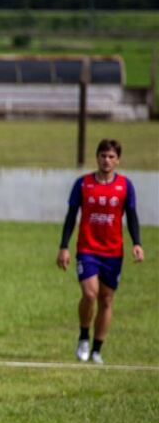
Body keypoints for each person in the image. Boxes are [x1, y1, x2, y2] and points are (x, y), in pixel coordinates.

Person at [56, 138, 144, 364]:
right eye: (103, 156)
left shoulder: (125, 186)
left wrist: (137, 243)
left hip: (113, 252)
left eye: (111, 157)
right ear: (97, 157)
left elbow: (132, 216)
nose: (107, 160)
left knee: (106, 300)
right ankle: (84, 336)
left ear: (118, 160)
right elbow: (70, 216)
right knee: (89, 293)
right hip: (87, 249)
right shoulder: (83, 184)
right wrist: (64, 246)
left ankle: (97, 350)